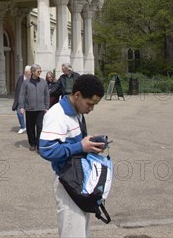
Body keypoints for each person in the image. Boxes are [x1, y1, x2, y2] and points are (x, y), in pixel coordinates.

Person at [39, 74, 106, 238]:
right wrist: (80, 146)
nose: (91, 109)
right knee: (73, 233)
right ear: (77, 95)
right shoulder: (57, 115)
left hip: (77, 181)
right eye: (90, 104)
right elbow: (46, 149)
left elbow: (75, 145)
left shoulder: (77, 111)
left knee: (81, 232)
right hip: (68, 183)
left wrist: (89, 145)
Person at [19, 64, 49, 152]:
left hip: (40, 109)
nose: (40, 72)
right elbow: (22, 95)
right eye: (38, 71)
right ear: (32, 72)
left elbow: (47, 95)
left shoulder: (43, 82)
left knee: (40, 127)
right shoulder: (26, 82)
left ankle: (39, 145)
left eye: (40, 71)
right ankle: (32, 144)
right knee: (30, 127)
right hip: (30, 109)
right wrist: (21, 106)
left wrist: (46, 107)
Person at [11, 65, 30, 134]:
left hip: (30, 100)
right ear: (26, 72)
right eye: (29, 72)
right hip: (21, 99)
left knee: (30, 114)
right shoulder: (20, 78)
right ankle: (23, 127)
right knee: (19, 113)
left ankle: (30, 127)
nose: (30, 74)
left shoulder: (32, 78)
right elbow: (17, 89)